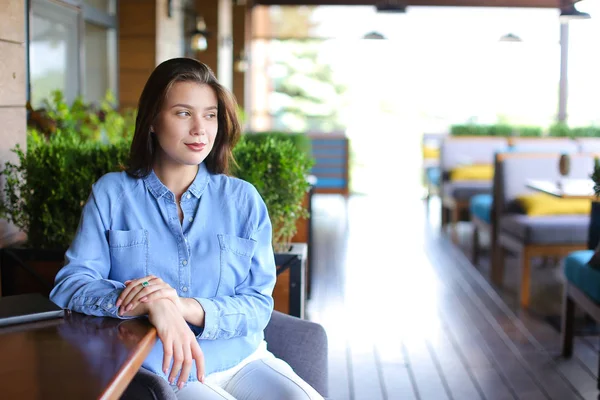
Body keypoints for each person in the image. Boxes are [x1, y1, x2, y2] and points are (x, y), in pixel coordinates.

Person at [50, 57, 323, 400]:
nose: (200, 129)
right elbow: (71, 285)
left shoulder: (243, 200)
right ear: (152, 119)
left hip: (242, 359)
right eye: (183, 113)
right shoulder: (112, 194)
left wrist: (179, 305)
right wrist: (150, 304)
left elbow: (257, 304)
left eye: (210, 115)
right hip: (164, 368)